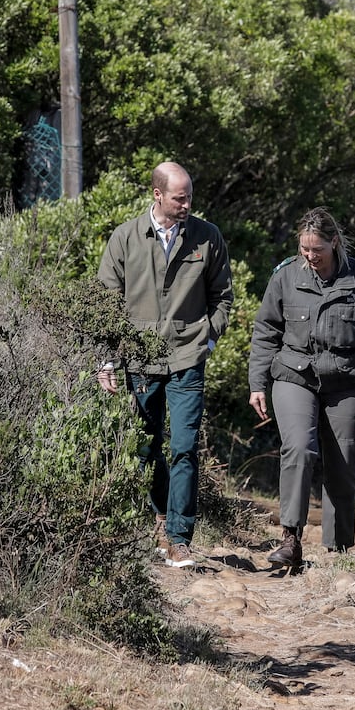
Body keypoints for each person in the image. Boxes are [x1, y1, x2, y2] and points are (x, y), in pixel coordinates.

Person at [98, 162, 234, 567]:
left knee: (185, 447)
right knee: (145, 447)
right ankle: (158, 519)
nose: (187, 204)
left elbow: (223, 297)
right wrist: (106, 361)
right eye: (180, 197)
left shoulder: (207, 237)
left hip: (188, 357)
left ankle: (179, 537)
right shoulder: (124, 238)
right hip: (139, 361)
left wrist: (209, 338)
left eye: (190, 196)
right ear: (157, 195)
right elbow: (104, 304)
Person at [248, 208, 355, 570]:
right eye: (304, 249)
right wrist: (257, 384)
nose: (310, 257)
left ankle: (338, 549)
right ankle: (291, 538)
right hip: (295, 377)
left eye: (318, 250)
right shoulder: (285, 276)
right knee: (298, 448)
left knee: (343, 461)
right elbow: (266, 331)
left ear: (334, 243)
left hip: (346, 381)